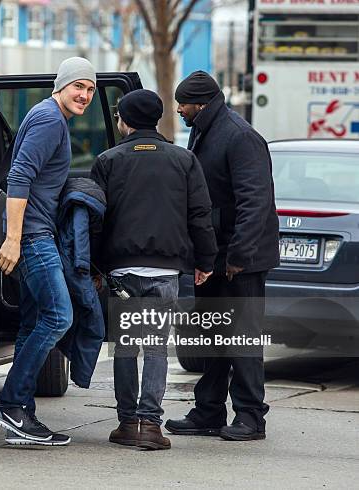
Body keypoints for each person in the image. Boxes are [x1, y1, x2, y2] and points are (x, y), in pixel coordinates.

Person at [90, 89, 217, 450]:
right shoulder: (184, 160)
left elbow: (96, 221)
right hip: (166, 270)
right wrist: (205, 262)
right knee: (157, 348)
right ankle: (150, 426)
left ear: (125, 121)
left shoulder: (108, 160)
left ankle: (127, 424)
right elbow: (199, 216)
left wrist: (94, 266)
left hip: (121, 272)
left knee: (127, 348)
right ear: (157, 119)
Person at [165, 70, 279, 441]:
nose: (179, 110)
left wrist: (238, 255)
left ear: (201, 104)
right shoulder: (206, 129)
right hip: (214, 256)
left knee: (242, 339)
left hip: (239, 261)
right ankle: (208, 411)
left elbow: (254, 202)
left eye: (183, 104)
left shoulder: (240, 136)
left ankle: (250, 416)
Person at [0, 57, 97, 446]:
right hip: (33, 237)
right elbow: (20, 175)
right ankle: (12, 404)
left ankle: (21, 416)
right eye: (78, 87)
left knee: (33, 321)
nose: (85, 95)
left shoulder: (48, 116)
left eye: (90, 89)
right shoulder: (50, 119)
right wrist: (14, 238)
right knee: (58, 316)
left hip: (37, 233)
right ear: (61, 86)